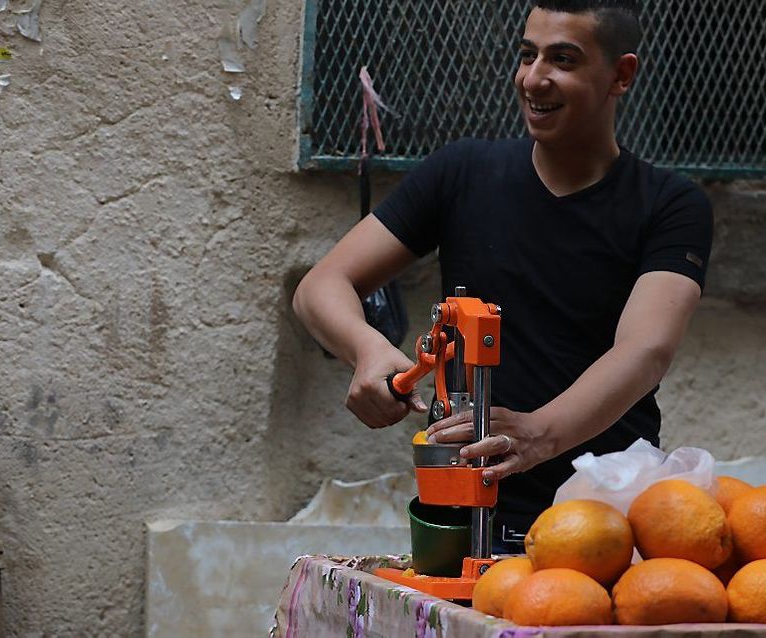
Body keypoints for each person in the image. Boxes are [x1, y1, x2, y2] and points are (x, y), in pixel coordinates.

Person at [294, 0, 713, 553]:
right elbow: (321, 287)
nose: (534, 79)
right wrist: (367, 350)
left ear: (621, 74)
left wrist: (538, 433)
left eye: (562, 59)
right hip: (460, 518)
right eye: (526, 55)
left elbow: (645, 349)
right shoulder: (462, 172)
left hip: (603, 518)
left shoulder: (671, 205)